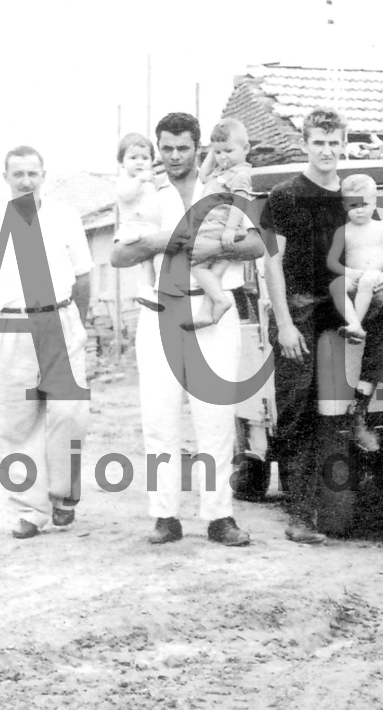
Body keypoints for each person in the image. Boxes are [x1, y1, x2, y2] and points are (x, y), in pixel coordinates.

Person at [111, 112, 265, 547]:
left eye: (183, 148)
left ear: (199, 148)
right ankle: (165, 516)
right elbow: (119, 256)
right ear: (158, 148)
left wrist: (214, 245)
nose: (174, 156)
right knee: (160, 418)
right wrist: (170, 239)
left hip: (213, 313)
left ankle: (219, 517)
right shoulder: (144, 189)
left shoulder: (219, 183)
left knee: (214, 417)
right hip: (160, 311)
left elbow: (255, 243)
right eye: (167, 148)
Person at [261, 108, 383, 542]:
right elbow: (271, 260)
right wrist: (284, 323)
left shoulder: (349, 196)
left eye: (333, 142)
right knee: (299, 405)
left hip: (341, 300)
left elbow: (371, 243)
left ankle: (362, 407)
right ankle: (301, 514)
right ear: (305, 143)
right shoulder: (285, 195)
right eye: (318, 142)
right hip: (300, 306)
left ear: (344, 144)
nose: (327, 150)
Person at [0, 146, 92, 539]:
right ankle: (29, 510)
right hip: (11, 327)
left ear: (43, 175)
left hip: (60, 320)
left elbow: (83, 276)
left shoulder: (65, 217)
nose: (26, 181)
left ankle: (63, 495)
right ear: (6, 177)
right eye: (18, 174)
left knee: (71, 413)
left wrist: (77, 321)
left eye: (33, 173)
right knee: (17, 423)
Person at [184, 118, 254, 331]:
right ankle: (207, 311)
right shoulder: (220, 173)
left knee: (195, 263)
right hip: (219, 229)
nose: (223, 157)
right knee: (213, 273)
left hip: (220, 227)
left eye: (228, 151)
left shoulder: (240, 174)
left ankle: (220, 300)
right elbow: (203, 175)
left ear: (245, 149)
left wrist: (231, 229)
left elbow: (240, 202)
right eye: (218, 152)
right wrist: (212, 152)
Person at [327, 174, 383, 343]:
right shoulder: (343, 231)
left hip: (376, 276)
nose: (359, 210)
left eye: (364, 204)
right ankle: (354, 324)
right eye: (353, 205)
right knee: (336, 285)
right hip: (354, 276)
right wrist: (348, 272)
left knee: (367, 281)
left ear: (374, 204)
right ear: (344, 206)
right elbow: (331, 261)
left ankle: (357, 326)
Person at [114, 133, 164, 311]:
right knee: (152, 259)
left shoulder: (150, 182)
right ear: (122, 162)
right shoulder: (124, 180)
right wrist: (139, 180)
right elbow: (126, 195)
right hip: (133, 229)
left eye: (145, 158)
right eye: (133, 158)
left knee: (151, 262)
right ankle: (146, 288)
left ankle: (147, 289)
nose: (139, 162)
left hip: (149, 229)